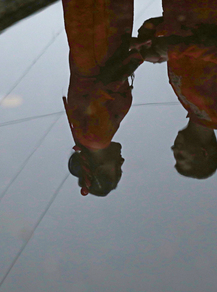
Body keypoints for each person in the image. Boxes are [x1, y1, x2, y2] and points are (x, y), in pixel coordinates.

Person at [135, 0, 217, 179]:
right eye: (181, 156)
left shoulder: (189, 105)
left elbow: (180, 33)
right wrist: (173, 48)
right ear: (203, 153)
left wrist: (149, 35)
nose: (174, 149)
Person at [62, 0, 142, 196]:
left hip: (101, 47)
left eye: (117, 170)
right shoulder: (87, 136)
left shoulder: (97, 138)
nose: (122, 162)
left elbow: (105, 86)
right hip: (94, 49)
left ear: (98, 169)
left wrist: (137, 58)